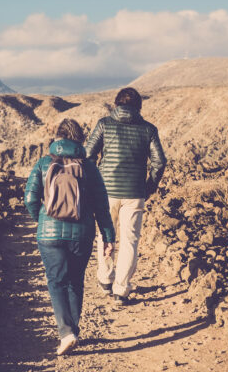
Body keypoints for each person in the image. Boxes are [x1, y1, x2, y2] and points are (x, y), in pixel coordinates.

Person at [25, 118, 116, 356]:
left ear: (58, 137)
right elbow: (101, 205)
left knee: (56, 281)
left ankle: (66, 333)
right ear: (80, 140)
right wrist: (108, 236)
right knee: (75, 281)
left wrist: (42, 219)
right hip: (82, 233)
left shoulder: (44, 163)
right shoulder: (89, 166)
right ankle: (72, 331)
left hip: (49, 234)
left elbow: (30, 198)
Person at [85, 87, 166, 304]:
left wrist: (94, 181)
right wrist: (148, 187)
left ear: (116, 104)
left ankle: (104, 279)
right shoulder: (148, 129)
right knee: (130, 240)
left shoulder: (104, 124)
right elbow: (159, 162)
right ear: (138, 106)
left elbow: (88, 155)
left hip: (105, 192)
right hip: (134, 193)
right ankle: (121, 289)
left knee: (104, 235)